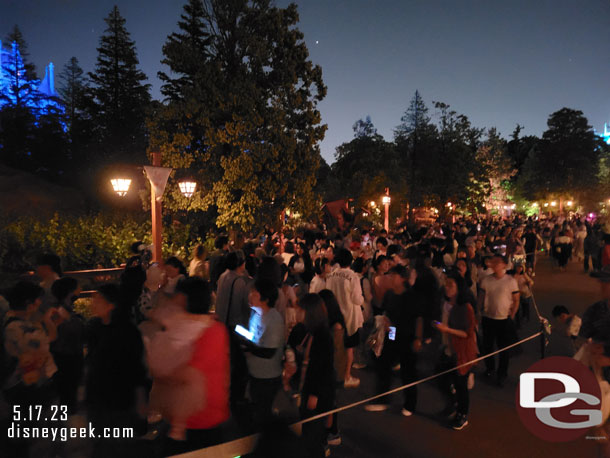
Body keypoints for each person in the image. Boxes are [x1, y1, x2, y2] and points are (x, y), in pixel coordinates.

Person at [160, 277, 230, 455]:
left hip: (200, 420)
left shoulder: (210, 332)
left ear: (184, 300)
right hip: (207, 415)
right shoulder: (215, 328)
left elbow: (185, 373)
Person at [85, 284, 147, 457]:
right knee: (100, 445)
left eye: (98, 299)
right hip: (97, 397)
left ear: (111, 305)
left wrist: (141, 402)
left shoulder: (127, 331)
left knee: (119, 447)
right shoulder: (94, 327)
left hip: (120, 398)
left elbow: (137, 370)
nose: (93, 303)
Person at [433, 274, 478, 430]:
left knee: (461, 385)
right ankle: (452, 404)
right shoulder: (445, 303)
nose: (447, 287)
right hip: (447, 349)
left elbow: (468, 333)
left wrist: (447, 329)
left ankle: (462, 415)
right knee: (441, 379)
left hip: (462, 353)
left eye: (450, 284)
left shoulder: (465, 307)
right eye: (446, 284)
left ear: (459, 287)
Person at [243, 278, 285, 426]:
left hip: (268, 377)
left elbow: (269, 352)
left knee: (264, 415)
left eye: (254, 294)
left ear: (265, 299)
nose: (250, 296)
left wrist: (247, 347)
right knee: (257, 410)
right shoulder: (256, 313)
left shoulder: (274, 319)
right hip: (255, 373)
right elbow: (254, 338)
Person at [299, 293, 336, 458]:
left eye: (302, 310)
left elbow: (323, 369)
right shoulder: (317, 331)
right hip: (317, 389)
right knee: (311, 430)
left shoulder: (322, 336)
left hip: (318, 391)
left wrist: (314, 394)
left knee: (312, 430)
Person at [215, 250, 252, 414]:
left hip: (221, 323)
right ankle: (237, 398)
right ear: (240, 264)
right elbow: (246, 307)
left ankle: (228, 394)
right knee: (240, 363)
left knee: (229, 361)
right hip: (236, 327)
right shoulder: (240, 282)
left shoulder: (222, 277)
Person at [477, 255, 520, 387]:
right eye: (493, 262)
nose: (494, 264)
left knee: (503, 348)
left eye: (497, 262)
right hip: (488, 317)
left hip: (503, 319)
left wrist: (512, 315)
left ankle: (502, 373)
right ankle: (490, 368)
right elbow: (481, 297)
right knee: (488, 346)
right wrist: (478, 312)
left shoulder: (510, 281)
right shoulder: (486, 280)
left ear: (503, 265)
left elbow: (516, 299)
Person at [325, 248, 364, 388]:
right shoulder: (352, 276)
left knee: (335, 347)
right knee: (349, 348)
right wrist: (363, 299)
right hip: (349, 317)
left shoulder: (330, 275)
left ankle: (334, 373)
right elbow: (356, 299)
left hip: (334, 317)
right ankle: (346, 376)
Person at [49, 277, 85, 415]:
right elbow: (63, 333)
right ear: (70, 291)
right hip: (65, 355)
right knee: (68, 390)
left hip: (68, 354)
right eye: (78, 286)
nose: (80, 289)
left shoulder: (65, 309)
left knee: (69, 390)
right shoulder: (59, 311)